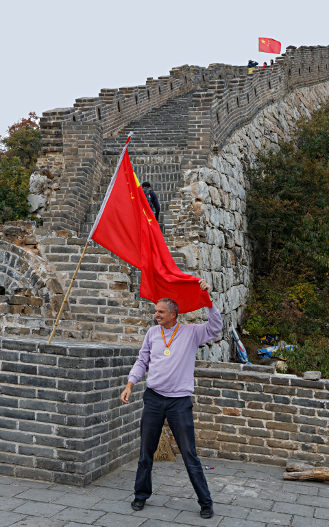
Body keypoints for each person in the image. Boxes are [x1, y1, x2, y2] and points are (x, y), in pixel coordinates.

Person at [120, 279, 223, 520]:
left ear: (173, 314)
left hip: (179, 402)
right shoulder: (152, 333)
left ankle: (205, 502)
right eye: (156, 311)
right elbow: (142, 360)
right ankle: (140, 494)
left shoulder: (191, 333)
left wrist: (209, 301)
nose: (156, 314)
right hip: (153, 399)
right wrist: (130, 384)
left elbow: (215, 328)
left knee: (189, 454)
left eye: (160, 311)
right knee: (146, 451)